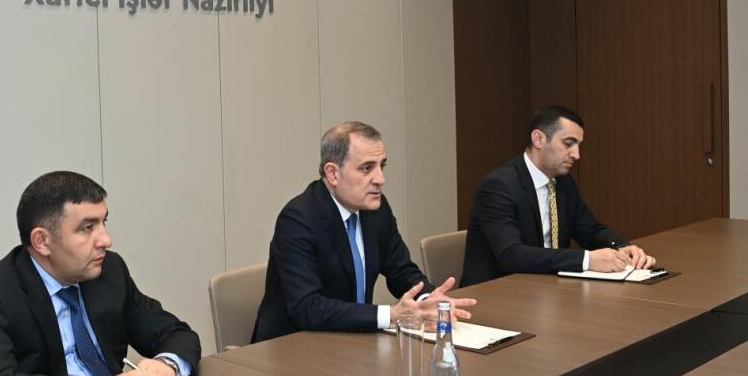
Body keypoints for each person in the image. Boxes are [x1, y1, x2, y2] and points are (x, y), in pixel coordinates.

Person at [0, 170, 201, 376]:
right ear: (42, 241)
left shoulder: (109, 271)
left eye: (104, 222)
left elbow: (176, 333)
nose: (106, 240)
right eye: (87, 228)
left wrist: (167, 365)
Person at [253, 121, 475, 341]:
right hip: (292, 345)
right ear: (333, 174)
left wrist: (428, 300)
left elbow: (402, 270)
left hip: (350, 340)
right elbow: (308, 307)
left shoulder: (375, 209)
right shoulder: (298, 219)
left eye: (382, 166)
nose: (380, 179)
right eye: (367, 168)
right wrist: (392, 315)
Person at [462, 105, 656, 286]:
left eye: (578, 145)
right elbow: (511, 255)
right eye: (568, 143)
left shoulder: (563, 182)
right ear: (538, 139)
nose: (576, 154)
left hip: (548, 288)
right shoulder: (499, 186)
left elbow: (591, 230)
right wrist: (588, 260)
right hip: (497, 292)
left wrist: (621, 247)